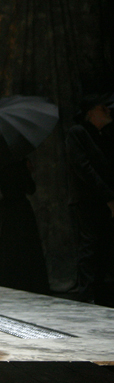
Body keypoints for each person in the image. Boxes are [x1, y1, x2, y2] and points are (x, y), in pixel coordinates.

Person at [65, 93, 114, 306]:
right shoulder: (78, 133)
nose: (108, 111)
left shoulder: (101, 135)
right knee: (90, 245)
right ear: (90, 113)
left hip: (100, 199)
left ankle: (100, 293)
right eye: (102, 108)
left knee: (102, 245)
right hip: (88, 200)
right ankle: (87, 295)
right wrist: (108, 196)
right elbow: (84, 168)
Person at [0, 159, 49, 294]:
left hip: (5, 211)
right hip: (20, 210)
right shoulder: (18, 161)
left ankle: (10, 282)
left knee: (7, 248)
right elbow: (30, 188)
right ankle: (25, 282)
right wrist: (27, 171)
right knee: (24, 248)